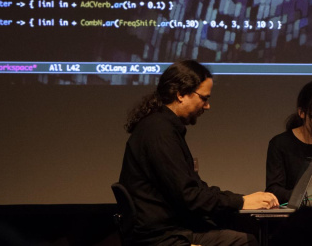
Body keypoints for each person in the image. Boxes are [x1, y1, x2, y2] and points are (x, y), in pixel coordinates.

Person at [118, 60, 279, 246]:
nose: (207, 106)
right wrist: (241, 202)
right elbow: (189, 197)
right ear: (180, 94)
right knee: (245, 241)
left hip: (168, 230)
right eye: (204, 98)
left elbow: (195, 189)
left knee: (241, 228)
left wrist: (240, 200)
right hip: (162, 238)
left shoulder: (162, 128)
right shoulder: (159, 133)